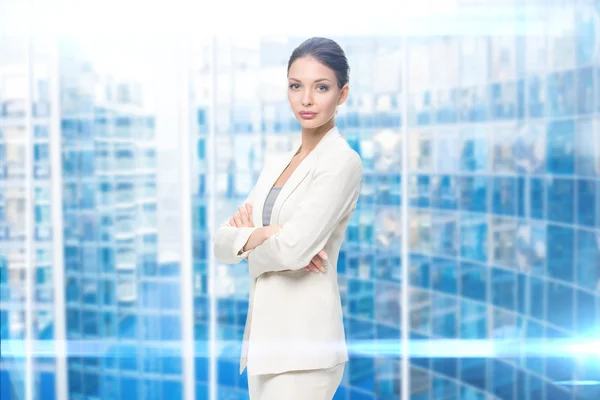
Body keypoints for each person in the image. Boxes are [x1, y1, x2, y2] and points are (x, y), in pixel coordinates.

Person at [213, 37, 363, 400]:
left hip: (305, 350)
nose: (306, 99)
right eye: (296, 86)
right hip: (264, 345)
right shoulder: (276, 163)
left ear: (342, 95)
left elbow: (293, 251)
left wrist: (251, 248)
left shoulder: (342, 161)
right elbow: (220, 243)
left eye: (321, 87)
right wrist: (269, 233)